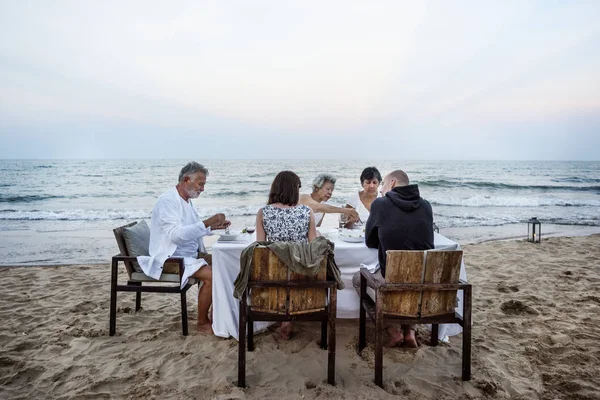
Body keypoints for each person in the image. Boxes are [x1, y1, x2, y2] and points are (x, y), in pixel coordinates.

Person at [138, 162, 231, 334]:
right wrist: (207, 222)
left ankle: (217, 313)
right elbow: (176, 235)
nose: (202, 188)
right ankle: (202, 322)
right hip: (170, 258)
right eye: (200, 183)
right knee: (213, 276)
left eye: (203, 184)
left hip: (190, 254)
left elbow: (191, 230)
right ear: (186, 180)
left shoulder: (186, 201)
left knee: (226, 265)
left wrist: (212, 227)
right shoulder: (168, 201)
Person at [352, 169, 434, 348]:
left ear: (393, 184)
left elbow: (370, 241)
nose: (380, 190)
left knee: (358, 279)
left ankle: (392, 331)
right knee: (412, 279)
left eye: (382, 186)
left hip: (392, 280)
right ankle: (410, 330)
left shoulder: (381, 204)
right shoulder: (426, 205)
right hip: (422, 280)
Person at [255, 171, 318, 339]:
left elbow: (260, 247)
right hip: (300, 272)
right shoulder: (307, 211)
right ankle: (290, 317)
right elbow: (314, 245)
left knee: (279, 271)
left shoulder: (263, 212)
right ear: (294, 190)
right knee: (294, 273)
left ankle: (282, 315)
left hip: (275, 273)